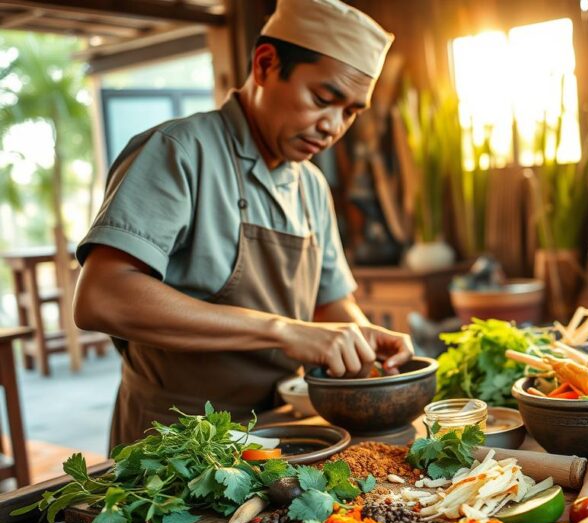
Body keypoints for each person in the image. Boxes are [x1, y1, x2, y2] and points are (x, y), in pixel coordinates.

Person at [73, 0, 412, 447]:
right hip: (176, 439)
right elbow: (102, 296)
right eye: (323, 99)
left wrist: (359, 336)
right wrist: (281, 330)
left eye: (351, 112)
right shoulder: (178, 151)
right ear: (266, 63)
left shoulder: (310, 185)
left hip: (283, 432)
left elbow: (329, 306)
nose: (333, 126)